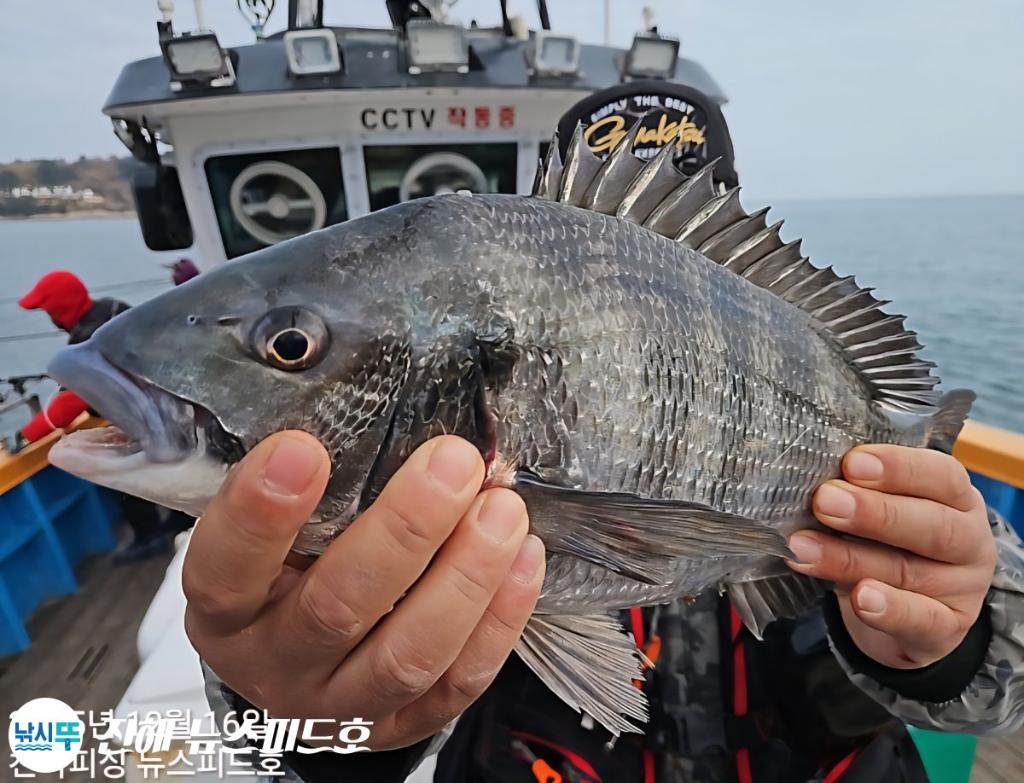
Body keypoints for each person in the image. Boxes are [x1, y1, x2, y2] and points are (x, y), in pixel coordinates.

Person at [184, 432, 1024, 783]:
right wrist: (310, 721)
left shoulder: (877, 462)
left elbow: (1006, 693)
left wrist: (946, 639)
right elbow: (289, 755)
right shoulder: (404, 503)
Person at [19, 270, 171, 562]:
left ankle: (149, 537)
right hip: (163, 407)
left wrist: (25, 435)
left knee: (123, 475)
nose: (50, 318)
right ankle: (178, 519)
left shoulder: (86, 339)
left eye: (49, 311)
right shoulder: (111, 308)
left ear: (59, 310)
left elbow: (68, 404)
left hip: (138, 419)